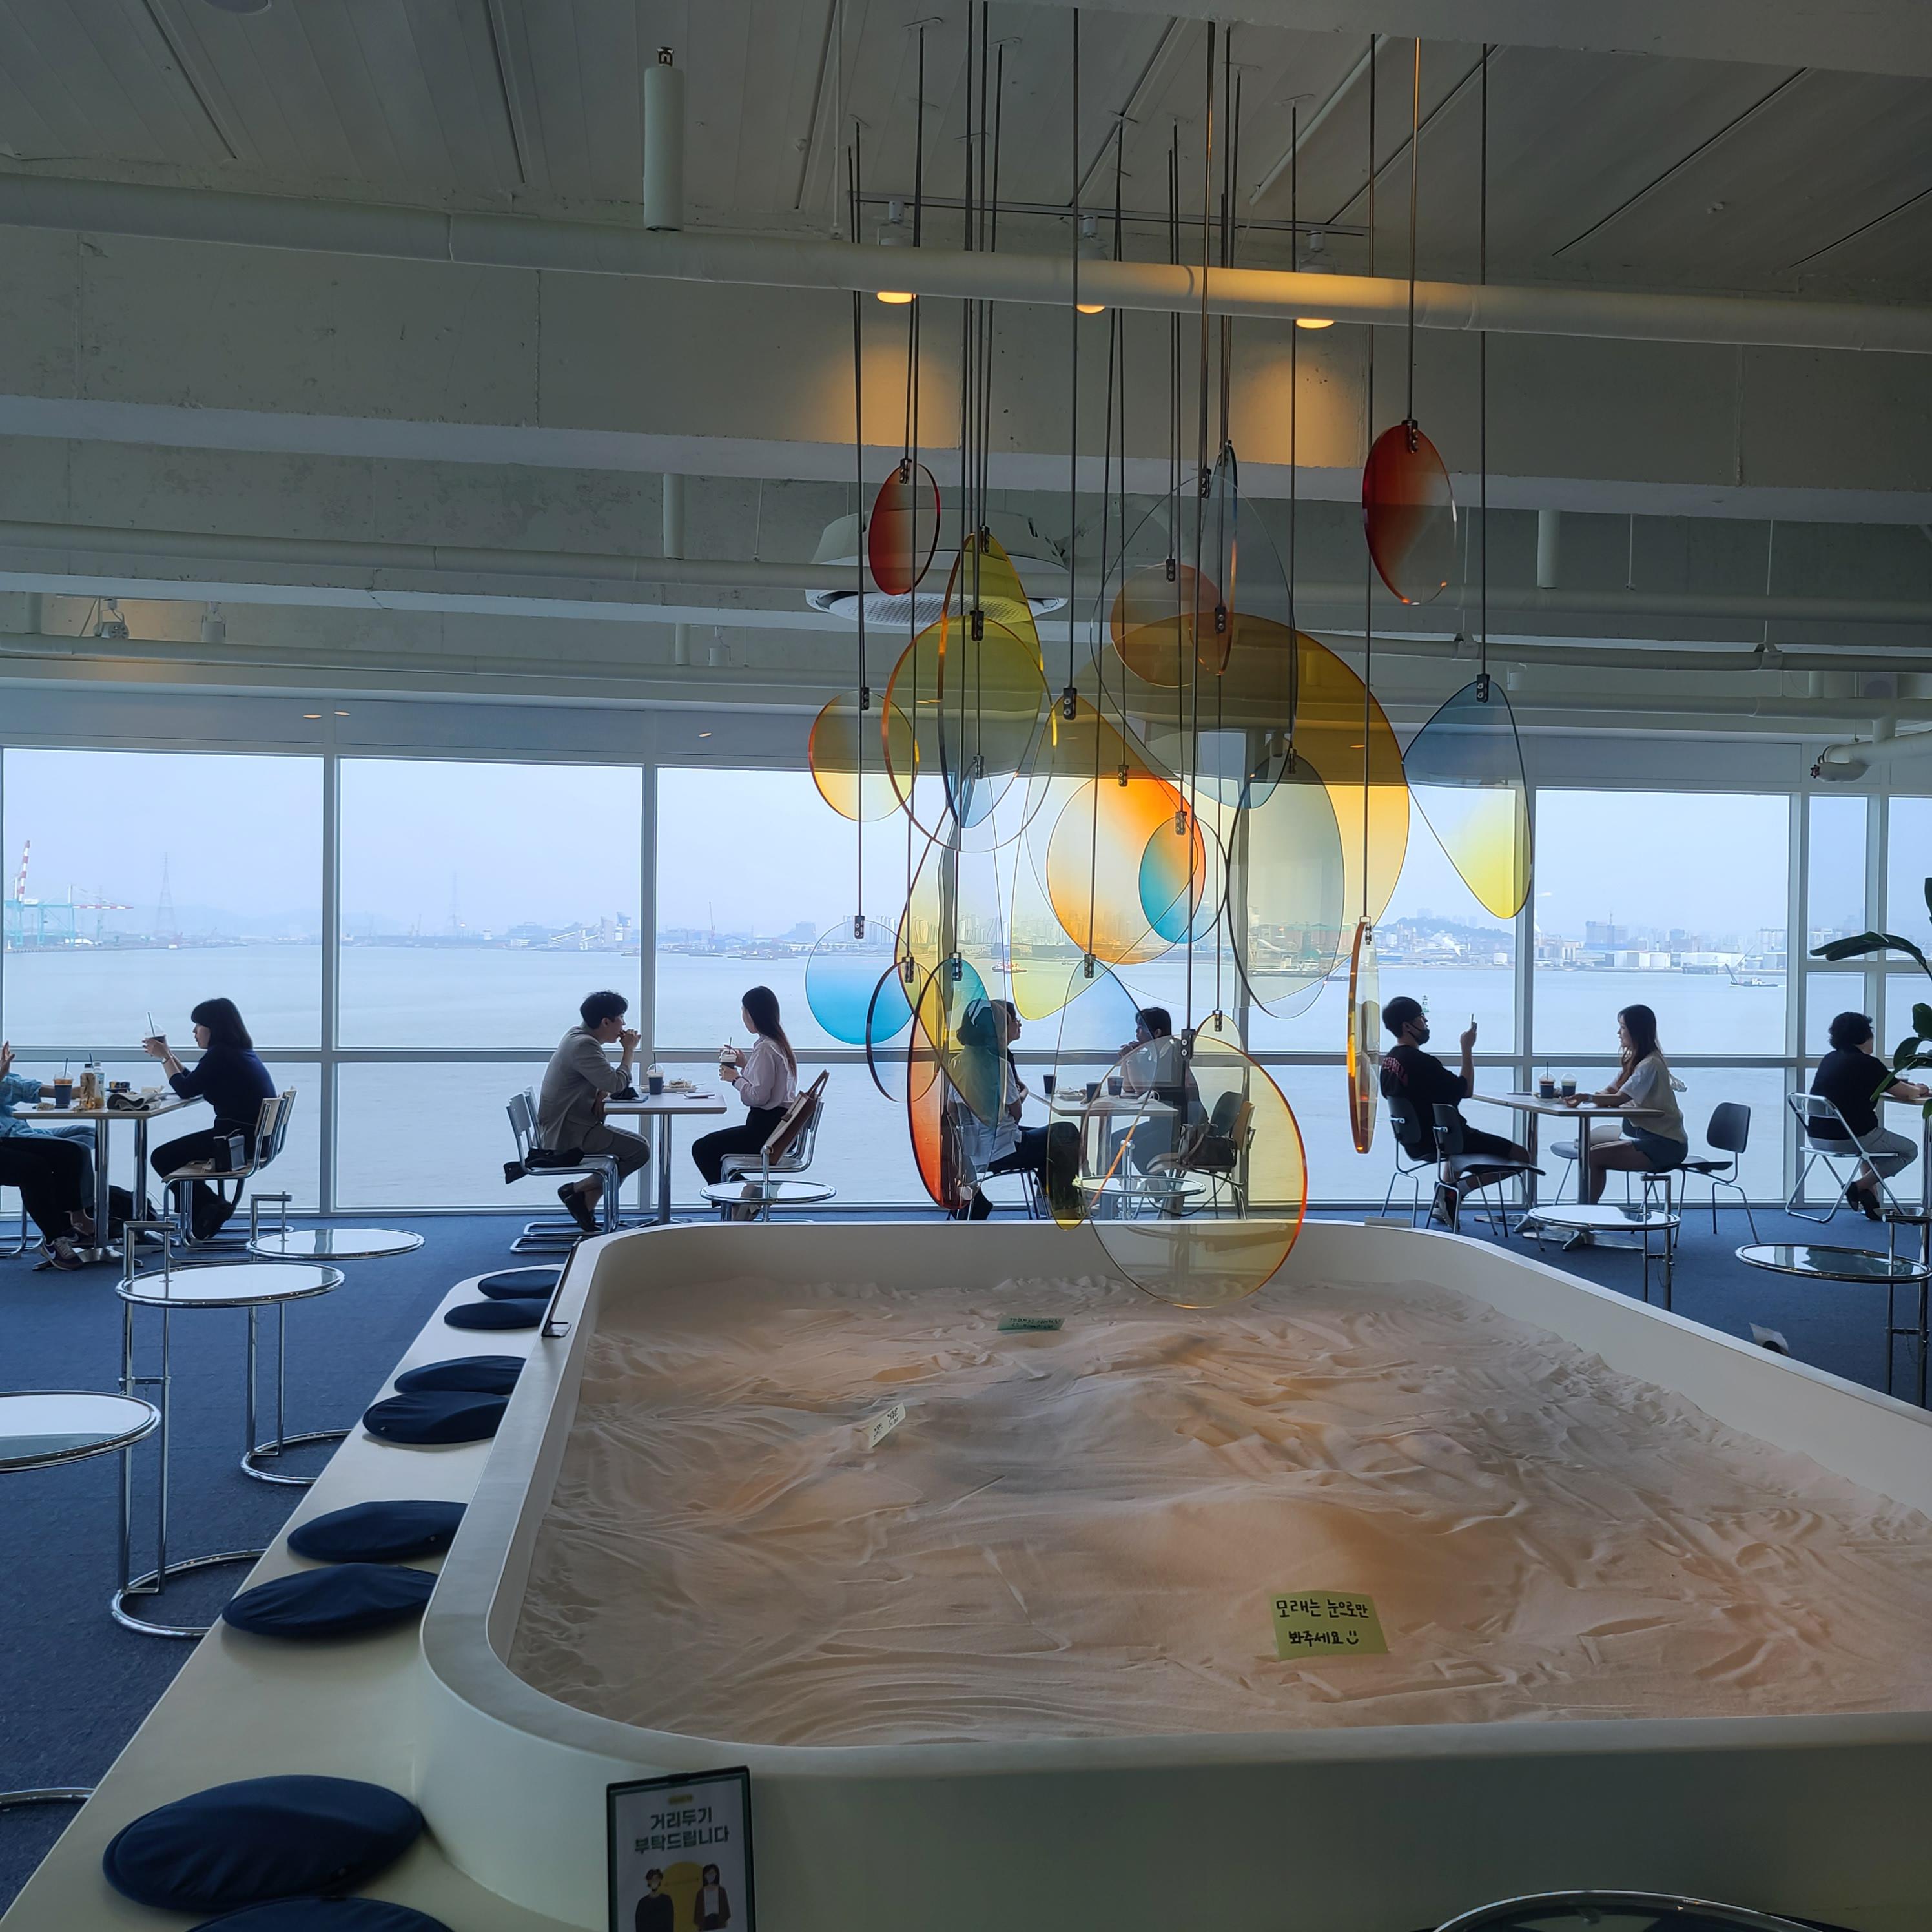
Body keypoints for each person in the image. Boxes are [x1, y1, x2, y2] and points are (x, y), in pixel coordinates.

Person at [145, 998, 276, 1239]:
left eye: (198, 1026)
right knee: (169, 1156)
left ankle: (211, 1207)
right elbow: (194, 1081)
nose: (194, 1032)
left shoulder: (220, 1055)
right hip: (251, 1140)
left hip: (235, 1142)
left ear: (214, 1028)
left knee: (162, 1157)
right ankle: (208, 1209)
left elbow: (186, 1089)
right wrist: (169, 1055)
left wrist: (165, 1058)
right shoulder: (236, 1052)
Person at [539, 990, 649, 1235]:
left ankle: (584, 1201)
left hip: (568, 1125)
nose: (624, 1025)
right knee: (639, 1150)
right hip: (567, 1132)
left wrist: (601, 1091)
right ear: (606, 1022)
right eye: (621, 1018)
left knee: (636, 1147)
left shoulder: (575, 1035)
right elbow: (617, 1084)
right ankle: (576, 1191)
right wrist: (629, 1050)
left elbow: (601, 1082)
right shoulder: (584, 1045)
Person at [1378, 996, 1528, 1170]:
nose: (1426, 1021)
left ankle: (1450, 1187)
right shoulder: (1421, 1062)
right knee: (1522, 1156)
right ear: (1407, 1026)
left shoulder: (1388, 1063)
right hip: (1444, 1140)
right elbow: (1466, 1090)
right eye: (1420, 1017)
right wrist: (1467, 1048)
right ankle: (1462, 1185)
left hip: (1414, 1144)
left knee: (1455, 1152)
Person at [1563, 1003, 1688, 1208]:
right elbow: (1609, 1092)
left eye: (1622, 1027)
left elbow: (1618, 1099)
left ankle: (1584, 1216)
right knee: (1589, 1152)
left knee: (1592, 1157)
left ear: (1636, 1031)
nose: (1618, 1033)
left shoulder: (1650, 1065)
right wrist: (1588, 1097)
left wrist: (1587, 1098)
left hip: (1665, 1145)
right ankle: (1584, 1214)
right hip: (1644, 1138)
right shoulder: (1635, 1062)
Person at [1809, 1011, 1929, 1220]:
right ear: (1864, 1035)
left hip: (1818, 1136)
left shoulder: (1830, 1059)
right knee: (1909, 1150)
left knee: (1872, 1149)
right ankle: (1857, 1187)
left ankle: (1871, 1201)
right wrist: (1920, 1088)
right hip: (1850, 1137)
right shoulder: (1867, 1063)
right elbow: (1906, 1093)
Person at [965, 1002, 1078, 1218]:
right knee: (1067, 1133)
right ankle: (1066, 1208)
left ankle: (1053, 1203)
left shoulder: (957, 1064)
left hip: (973, 1151)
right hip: (1004, 1149)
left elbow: (952, 1112)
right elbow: (1017, 1113)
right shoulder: (1000, 1065)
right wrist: (1021, 1095)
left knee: (1052, 1144)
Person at [692, 985, 799, 1187]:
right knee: (709, 1149)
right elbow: (771, 1083)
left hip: (766, 1134)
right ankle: (744, 1194)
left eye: (743, 1011)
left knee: (703, 1149)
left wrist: (735, 1079)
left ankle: (743, 1195)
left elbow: (758, 1097)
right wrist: (746, 1065)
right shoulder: (779, 1045)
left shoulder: (765, 1049)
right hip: (780, 1131)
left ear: (751, 1014)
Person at [0, 1041, 94, 1269]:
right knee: (33, 1167)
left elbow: (17, 1086)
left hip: (8, 1139)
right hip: (8, 1139)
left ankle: (72, 1222)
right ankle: (54, 1239)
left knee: (72, 1151)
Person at [694, 1862, 731, 1931]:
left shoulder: (721, 1891)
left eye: (712, 1873)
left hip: (719, 1920)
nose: (710, 1876)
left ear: (716, 1875)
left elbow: (726, 1910)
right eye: (708, 1874)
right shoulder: (700, 1893)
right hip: (705, 1921)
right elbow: (698, 1912)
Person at [634, 1868, 673, 1932]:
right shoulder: (642, 1903)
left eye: (656, 1879)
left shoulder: (666, 1900)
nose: (654, 1881)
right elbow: (639, 1925)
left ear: (660, 1880)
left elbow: (670, 1923)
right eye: (652, 1879)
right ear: (649, 1881)